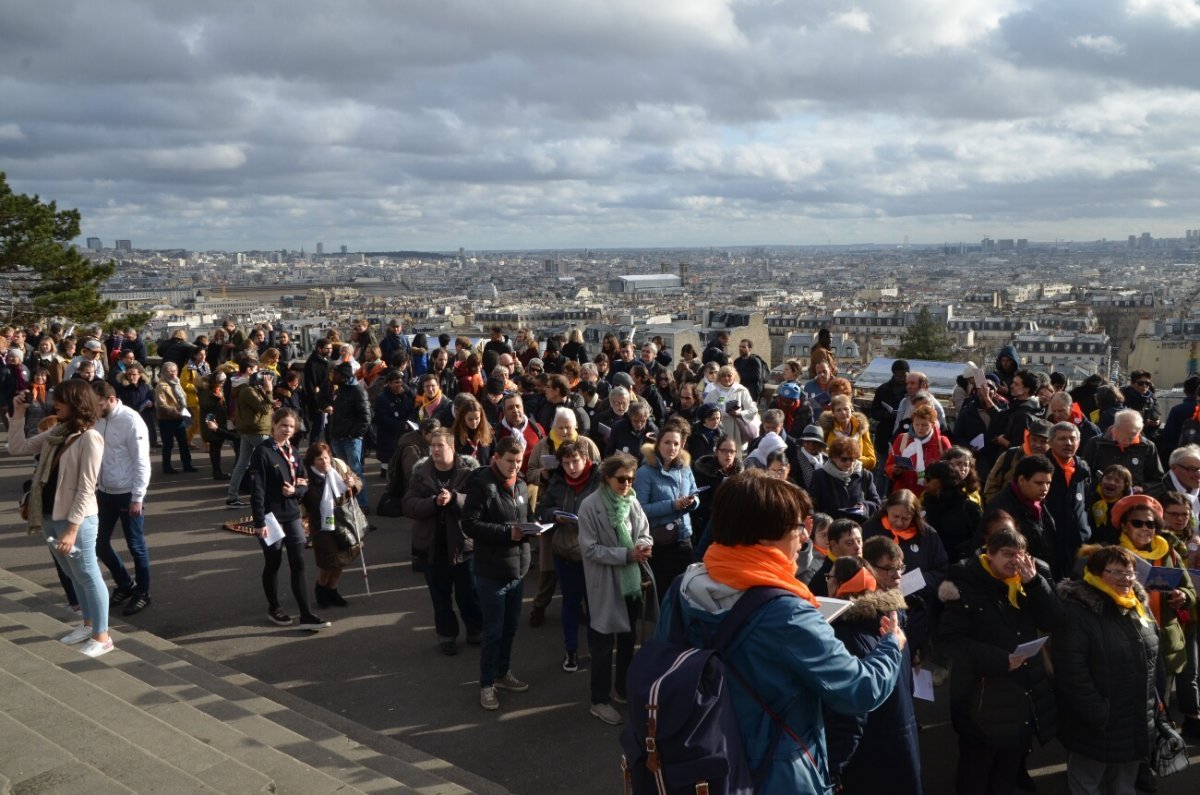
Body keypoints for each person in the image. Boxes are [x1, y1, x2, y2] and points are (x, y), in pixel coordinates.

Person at [655, 471, 906, 792]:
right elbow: (859, 690)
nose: (805, 538)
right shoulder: (786, 612)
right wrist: (890, 647)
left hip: (700, 759)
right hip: (773, 772)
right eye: (799, 527)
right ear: (764, 535)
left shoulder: (683, 585)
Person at [939, 527, 1061, 795]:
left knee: (1008, 769)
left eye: (1020, 555)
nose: (1014, 562)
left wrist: (1035, 585)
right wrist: (1000, 659)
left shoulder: (1029, 580)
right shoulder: (965, 582)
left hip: (1023, 692)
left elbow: (1053, 621)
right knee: (977, 769)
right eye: (1007, 554)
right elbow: (951, 641)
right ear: (989, 554)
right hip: (981, 697)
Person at [8, 381, 113, 657]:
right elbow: (18, 447)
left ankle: (102, 637)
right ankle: (89, 625)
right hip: (50, 514)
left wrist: (71, 529)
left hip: (76, 520)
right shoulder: (59, 430)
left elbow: (86, 487)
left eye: (61, 400)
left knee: (88, 574)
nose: (55, 404)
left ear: (77, 403)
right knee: (72, 573)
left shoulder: (90, 438)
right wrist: (18, 414)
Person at [1053, 546, 1159, 795]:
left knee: (1124, 783)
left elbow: (1156, 659)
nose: (1126, 579)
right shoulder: (1077, 612)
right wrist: (1097, 712)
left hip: (1135, 715)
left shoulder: (1138, 606)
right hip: (1097, 720)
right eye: (1116, 572)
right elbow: (1071, 671)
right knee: (1087, 781)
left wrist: (1157, 701)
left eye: (1130, 573)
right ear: (1095, 574)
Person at [823, 556, 920, 794]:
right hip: (901, 744)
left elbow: (850, 713)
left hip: (868, 757)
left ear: (839, 584)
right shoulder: (892, 627)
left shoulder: (844, 636)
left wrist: (833, 769)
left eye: (830, 577)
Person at [462, 436, 533, 711]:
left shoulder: (522, 485)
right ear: (496, 459)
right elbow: (469, 524)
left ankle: (503, 673)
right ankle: (487, 684)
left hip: (518, 569)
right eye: (510, 461)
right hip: (491, 571)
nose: (515, 466)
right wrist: (507, 533)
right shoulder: (483, 486)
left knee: (511, 627)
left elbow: (524, 519)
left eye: (518, 461)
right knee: (493, 630)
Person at [404, 428, 481, 655]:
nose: (435, 450)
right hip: (432, 547)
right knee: (440, 597)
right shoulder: (421, 473)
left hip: (462, 545)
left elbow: (478, 502)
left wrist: (455, 498)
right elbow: (409, 505)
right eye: (433, 446)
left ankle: (476, 629)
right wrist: (434, 503)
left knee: (468, 594)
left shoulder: (469, 472)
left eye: (440, 446)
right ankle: (447, 636)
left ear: (452, 448)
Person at [250, 408, 329, 630]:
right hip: (270, 517)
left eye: (291, 427)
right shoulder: (262, 452)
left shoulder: (293, 451)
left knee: (299, 562)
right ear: (273, 424)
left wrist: (294, 492)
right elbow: (257, 490)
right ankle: (274, 607)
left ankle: (306, 614)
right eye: (283, 425)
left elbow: (304, 484)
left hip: (292, 514)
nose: (287, 430)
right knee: (273, 562)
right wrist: (259, 522)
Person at [534, 440, 605, 675]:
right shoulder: (557, 482)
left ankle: (596, 649)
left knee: (595, 606)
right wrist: (554, 514)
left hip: (594, 554)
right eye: (566, 463)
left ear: (585, 459)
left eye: (575, 461)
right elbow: (541, 510)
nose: (572, 467)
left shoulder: (600, 480)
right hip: (565, 552)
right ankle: (571, 650)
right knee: (570, 604)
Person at [90, 381, 153, 616]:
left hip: (128, 493)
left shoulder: (131, 420)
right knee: (99, 543)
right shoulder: (98, 419)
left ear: (111, 399)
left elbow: (141, 462)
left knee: (136, 545)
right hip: (105, 491)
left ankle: (143, 593)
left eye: (98, 405)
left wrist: (138, 496)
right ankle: (125, 585)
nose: (94, 410)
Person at [863, 489, 949, 661]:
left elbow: (941, 569)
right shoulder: (870, 529)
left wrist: (917, 581)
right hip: (879, 605)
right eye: (895, 516)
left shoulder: (927, 535)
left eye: (905, 518)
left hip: (917, 607)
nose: (899, 522)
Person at [633, 423, 698, 600]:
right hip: (660, 541)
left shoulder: (685, 468)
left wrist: (692, 502)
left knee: (686, 592)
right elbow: (640, 509)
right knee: (663, 593)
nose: (672, 447)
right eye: (667, 442)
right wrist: (672, 505)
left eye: (676, 443)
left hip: (684, 538)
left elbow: (695, 493)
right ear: (658, 444)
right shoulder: (645, 472)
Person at [300, 442, 363, 609]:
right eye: (319, 459)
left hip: (343, 519)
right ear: (312, 461)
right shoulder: (306, 475)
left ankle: (333, 589)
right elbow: (302, 500)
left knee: (342, 558)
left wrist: (352, 484)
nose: (324, 462)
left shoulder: (339, 466)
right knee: (328, 560)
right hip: (321, 524)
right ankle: (321, 588)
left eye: (326, 458)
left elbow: (358, 482)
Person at [984, 454, 1061, 577]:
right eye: (1039, 483)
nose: (1045, 489)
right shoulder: (1001, 510)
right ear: (1021, 480)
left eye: (1048, 483)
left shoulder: (1040, 502)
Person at [920, 449, 984, 562]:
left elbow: (981, 538)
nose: (925, 482)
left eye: (929, 478)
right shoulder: (926, 502)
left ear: (942, 481)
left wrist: (962, 553)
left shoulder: (969, 507)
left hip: (959, 566)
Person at [1081, 408, 1165, 490]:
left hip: (1133, 499)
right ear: (1115, 429)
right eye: (1126, 437)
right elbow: (1083, 474)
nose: (1129, 442)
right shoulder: (1096, 443)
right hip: (1100, 497)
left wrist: (1143, 487)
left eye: (1133, 437)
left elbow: (1158, 479)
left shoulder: (1147, 446)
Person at [226, 368, 274, 508]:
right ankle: (268, 496)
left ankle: (232, 497)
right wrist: (269, 391)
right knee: (272, 460)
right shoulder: (248, 391)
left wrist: (268, 396)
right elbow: (264, 409)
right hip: (256, 431)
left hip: (251, 430)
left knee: (242, 464)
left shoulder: (252, 390)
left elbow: (263, 406)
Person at [327, 362, 371, 509]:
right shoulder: (340, 390)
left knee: (355, 472)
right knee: (341, 472)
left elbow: (366, 416)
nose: (334, 377)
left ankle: (362, 504)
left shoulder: (357, 391)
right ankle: (347, 503)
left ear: (344, 377)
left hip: (350, 439)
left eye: (337, 374)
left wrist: (355, 435)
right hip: (338, 436)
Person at [808, 436, 881, 522]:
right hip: (830, 529)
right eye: (844, 459)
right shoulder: (820, 475)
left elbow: (877, 504)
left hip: (856, 530)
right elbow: (811, 506)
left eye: (852, 459)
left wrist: (864, 507)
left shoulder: (865, 475)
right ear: (833, 457)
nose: (849, 463)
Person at [885, 403, 951, 497]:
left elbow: (951, 470)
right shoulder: (902, 438)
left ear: (932, 424)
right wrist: (894, 470)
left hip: (932, 495)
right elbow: (889, 464)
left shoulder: (942, 442)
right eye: (917, 424)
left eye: (924, 425)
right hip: (904, 494)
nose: (920, 428)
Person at [153, 361, 197, 474]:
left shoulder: (176, 382)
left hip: (179, 417)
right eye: (169, 371)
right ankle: (167, 467)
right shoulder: (161, 386)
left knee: (183, 442)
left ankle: (187, 464)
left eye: (174, 371)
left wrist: (184, 410)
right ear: (163, 372)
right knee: (168, 444)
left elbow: (183, 397)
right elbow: (161, 405)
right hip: (167, 419)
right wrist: (177, 412)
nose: (173, 373)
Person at [703, 365, 760, 450]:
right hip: (718, 428)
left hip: (735, 428)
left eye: (729, 375)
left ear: (734, 376)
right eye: (723, 376)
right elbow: (704, 410)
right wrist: (715, 415)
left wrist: (740, 413)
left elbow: (753, 409)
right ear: (719, 378)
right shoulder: (713, 392)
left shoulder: (741, 391)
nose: (726, 378)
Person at [198, 373, 239, 481]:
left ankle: (217, 471)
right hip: (211, 420)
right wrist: (215, 398)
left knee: (217, 446)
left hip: (219, 420)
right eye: (220, 382)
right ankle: (217, 471)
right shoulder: (204, 390)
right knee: (215, 446)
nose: (222, 384)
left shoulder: (217, 389)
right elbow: (205, 405)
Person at [819, 394, 875, 471]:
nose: (843, 413)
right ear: (833, 413)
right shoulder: (826, 429)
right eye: (838, 410)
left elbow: (872, 461)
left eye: (846, 409)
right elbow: (820, 456)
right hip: (832, 475)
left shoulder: (861, 429)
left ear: (851, 410)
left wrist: (853, 460)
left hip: (856, 475)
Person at [870, 359, 910, 465]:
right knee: (883, 467)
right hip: (885, 433)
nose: (900, 378)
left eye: (903, 376)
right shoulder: (883, 390)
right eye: (897, 376)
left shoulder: (912, 390)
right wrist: (885, 414)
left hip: (905, 435)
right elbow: (874, 411)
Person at [450, 394, 494, 468]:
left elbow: (493, 453)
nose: (474, 422)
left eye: (477, 418)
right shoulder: (455, 435)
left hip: (483, 475)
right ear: (463, 418)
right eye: (470, 419)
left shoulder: (488, 432)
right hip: (463, 475)